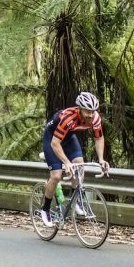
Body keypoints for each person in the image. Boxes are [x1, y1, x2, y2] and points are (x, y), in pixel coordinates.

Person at [37, 91, 109, 227]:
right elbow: (55, 143)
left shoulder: (95, 118)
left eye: (93, 111)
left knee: (79, 165)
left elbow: (99, 137)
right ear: (80, 109)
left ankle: (77, 200)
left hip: (69, 138)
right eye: (88, 111)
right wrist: (66, 162)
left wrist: (101, 159)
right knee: (57, 176)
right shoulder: (68, 118)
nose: (91, 115)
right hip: (53, 139)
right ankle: (45, 209)